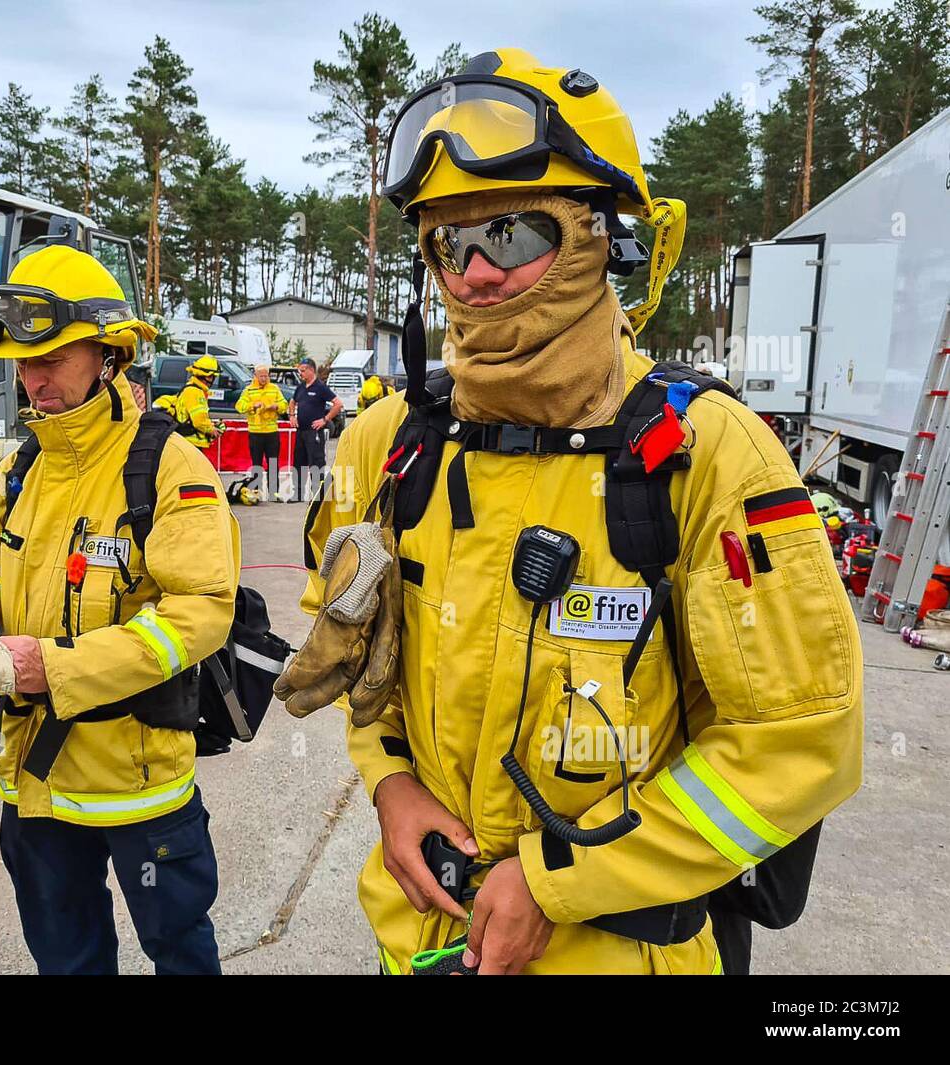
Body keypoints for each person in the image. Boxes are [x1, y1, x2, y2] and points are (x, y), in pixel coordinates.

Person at [290, 48, 863, 975]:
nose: (475, 272)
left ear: (600, 237)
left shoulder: (710, 452)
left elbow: (800, 742)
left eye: (513, 235)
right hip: (421, 938)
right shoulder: (387, 442)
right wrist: (390, 782)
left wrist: (564, 877)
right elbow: (361, 660)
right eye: (449, 242)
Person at [0, 246, 241, 975]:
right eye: (20, 361)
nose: (30, 379)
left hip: (138, 786)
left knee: (180, 951)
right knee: (65, 957)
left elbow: (200, 612)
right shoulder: (19, 470)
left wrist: (47, 666)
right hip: (32, 785)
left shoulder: (169, 468)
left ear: (109, 353)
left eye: (50, 358)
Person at [287, 357, 342, 503]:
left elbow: (338, 404)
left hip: (314, 432)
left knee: (316, 463)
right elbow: (292, 401)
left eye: (303, 371)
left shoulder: (320, 387)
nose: (300, 374)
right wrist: (292, 415)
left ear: (311, 370)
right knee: (299, 463)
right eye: (299, 371)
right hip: (301, 431)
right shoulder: (301, 387)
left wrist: (325, 419)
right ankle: (297, 494)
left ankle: (317, 495)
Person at [235, 363, 287, 501]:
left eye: (266, 376)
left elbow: (284, 405)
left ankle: (274, 493)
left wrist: (276, 406)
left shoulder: (274, 389)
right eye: (261, 376)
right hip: (255, 432)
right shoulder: (249, 390)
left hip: (271, 432)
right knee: (256, 463)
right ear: (255, 376)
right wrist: (252, 406)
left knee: (273, 463)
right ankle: (256, 491)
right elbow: (239, 406)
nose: (264, 378)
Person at [175, 355, 222, 451]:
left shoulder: (191, 389)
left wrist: (211, 424)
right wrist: (212, 430)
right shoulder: (195, 392)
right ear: (207, 376)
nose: (213, 380)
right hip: (191, 443)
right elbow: (199, 421)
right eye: (212, 377)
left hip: (187, 442)